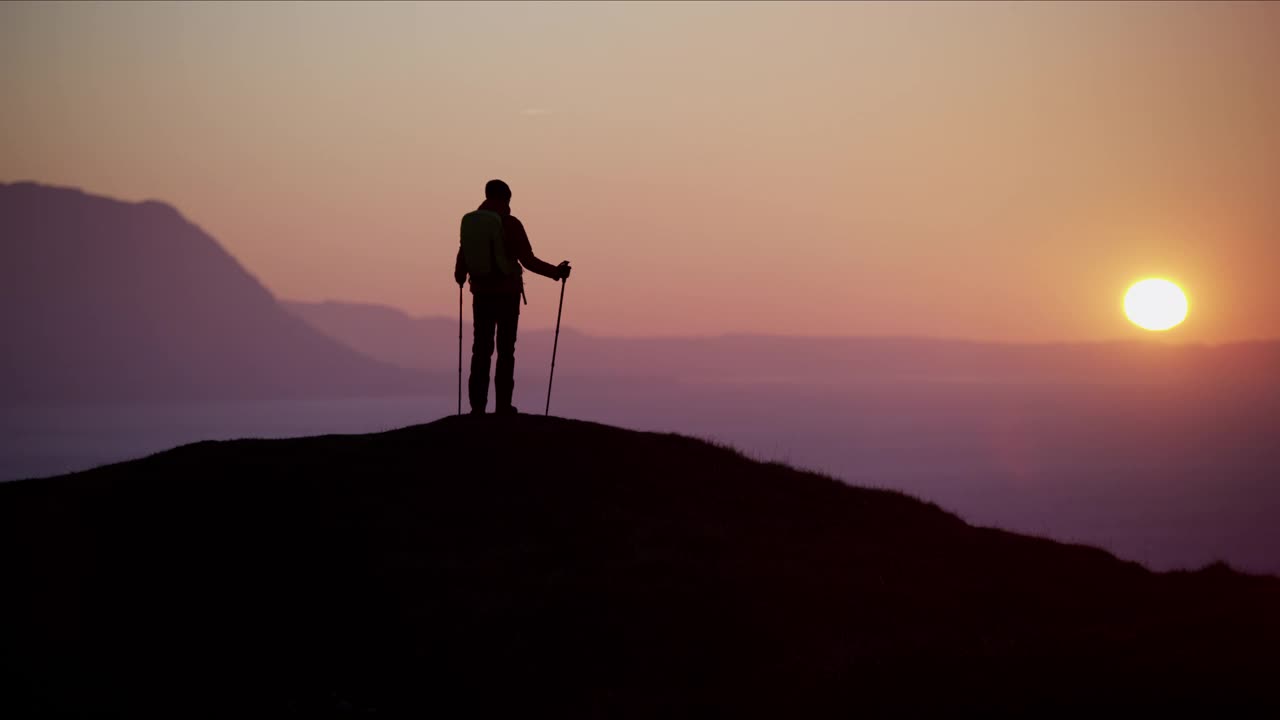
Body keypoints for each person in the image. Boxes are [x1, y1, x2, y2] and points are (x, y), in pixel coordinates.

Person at [455, 179, 570, 415]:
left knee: (481, 349)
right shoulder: (510, 224)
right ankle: (503, 407)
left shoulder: (473, 225)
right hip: (507, 296)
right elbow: (528, 261)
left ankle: (477, 408)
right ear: (506, 198)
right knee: (506, 350)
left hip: (481, 295)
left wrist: (460, 278)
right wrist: (556, 273)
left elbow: (461, 262)